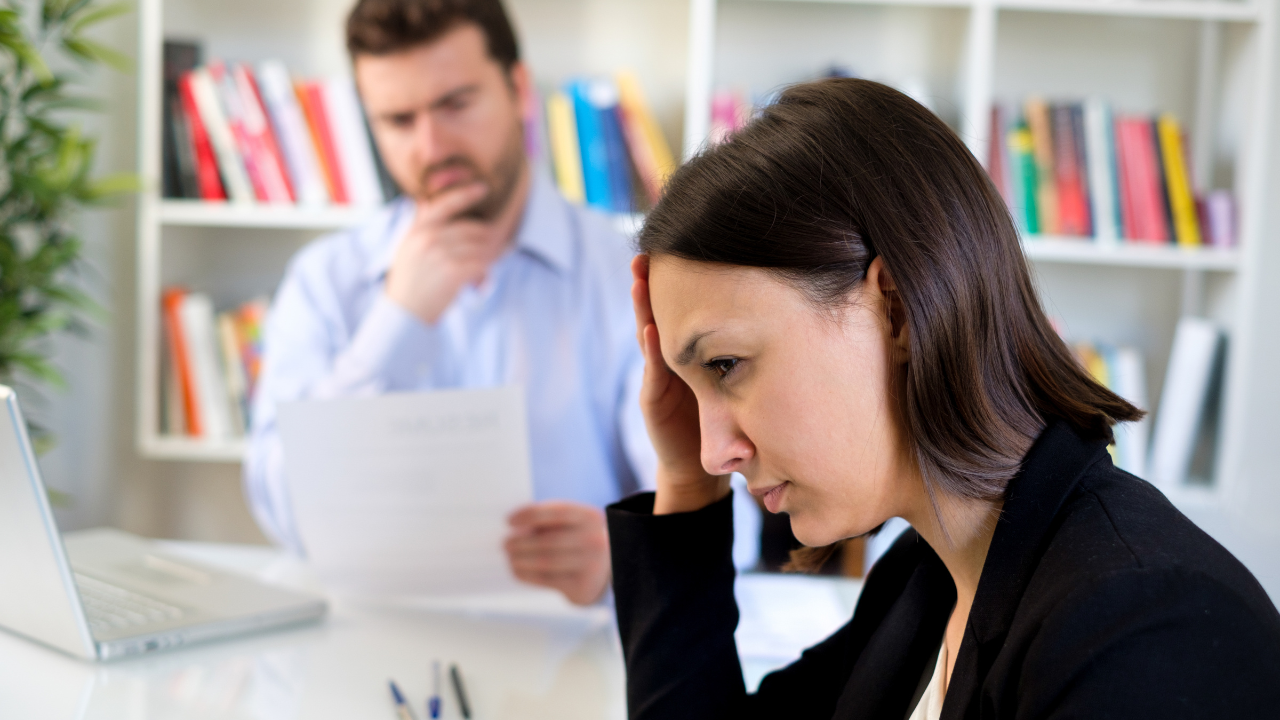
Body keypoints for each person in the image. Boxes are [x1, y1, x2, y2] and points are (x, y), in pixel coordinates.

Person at [610, 77, 1280, 718]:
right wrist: (682, 482)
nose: (713, 452)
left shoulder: (1143, 628)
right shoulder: (928, 581)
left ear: (897, 308)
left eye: (726, 364)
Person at [244, 0, 762, 607]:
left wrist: (627, 554)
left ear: (519, 90)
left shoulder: (630, 276)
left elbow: (732, 522)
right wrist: (395, 324)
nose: (431, 146)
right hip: (377, 648)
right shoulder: (324, 281)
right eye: (397, 120)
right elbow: (284, 515)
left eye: (455, 104)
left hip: (575, 657)